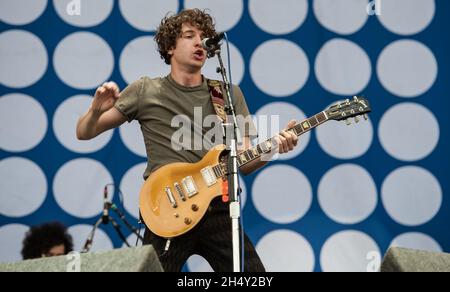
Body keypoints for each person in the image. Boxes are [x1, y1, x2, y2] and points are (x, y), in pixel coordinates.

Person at [76, 9, 299, 272]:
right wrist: (95, 110)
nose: (200, 42)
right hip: (166, 208)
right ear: (170, 47)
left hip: (220, 209)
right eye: (190, 36)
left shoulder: (228, 93)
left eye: (204, 37)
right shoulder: (145, 89)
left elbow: (244, 162)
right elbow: (84, 132)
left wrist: (274, 148)